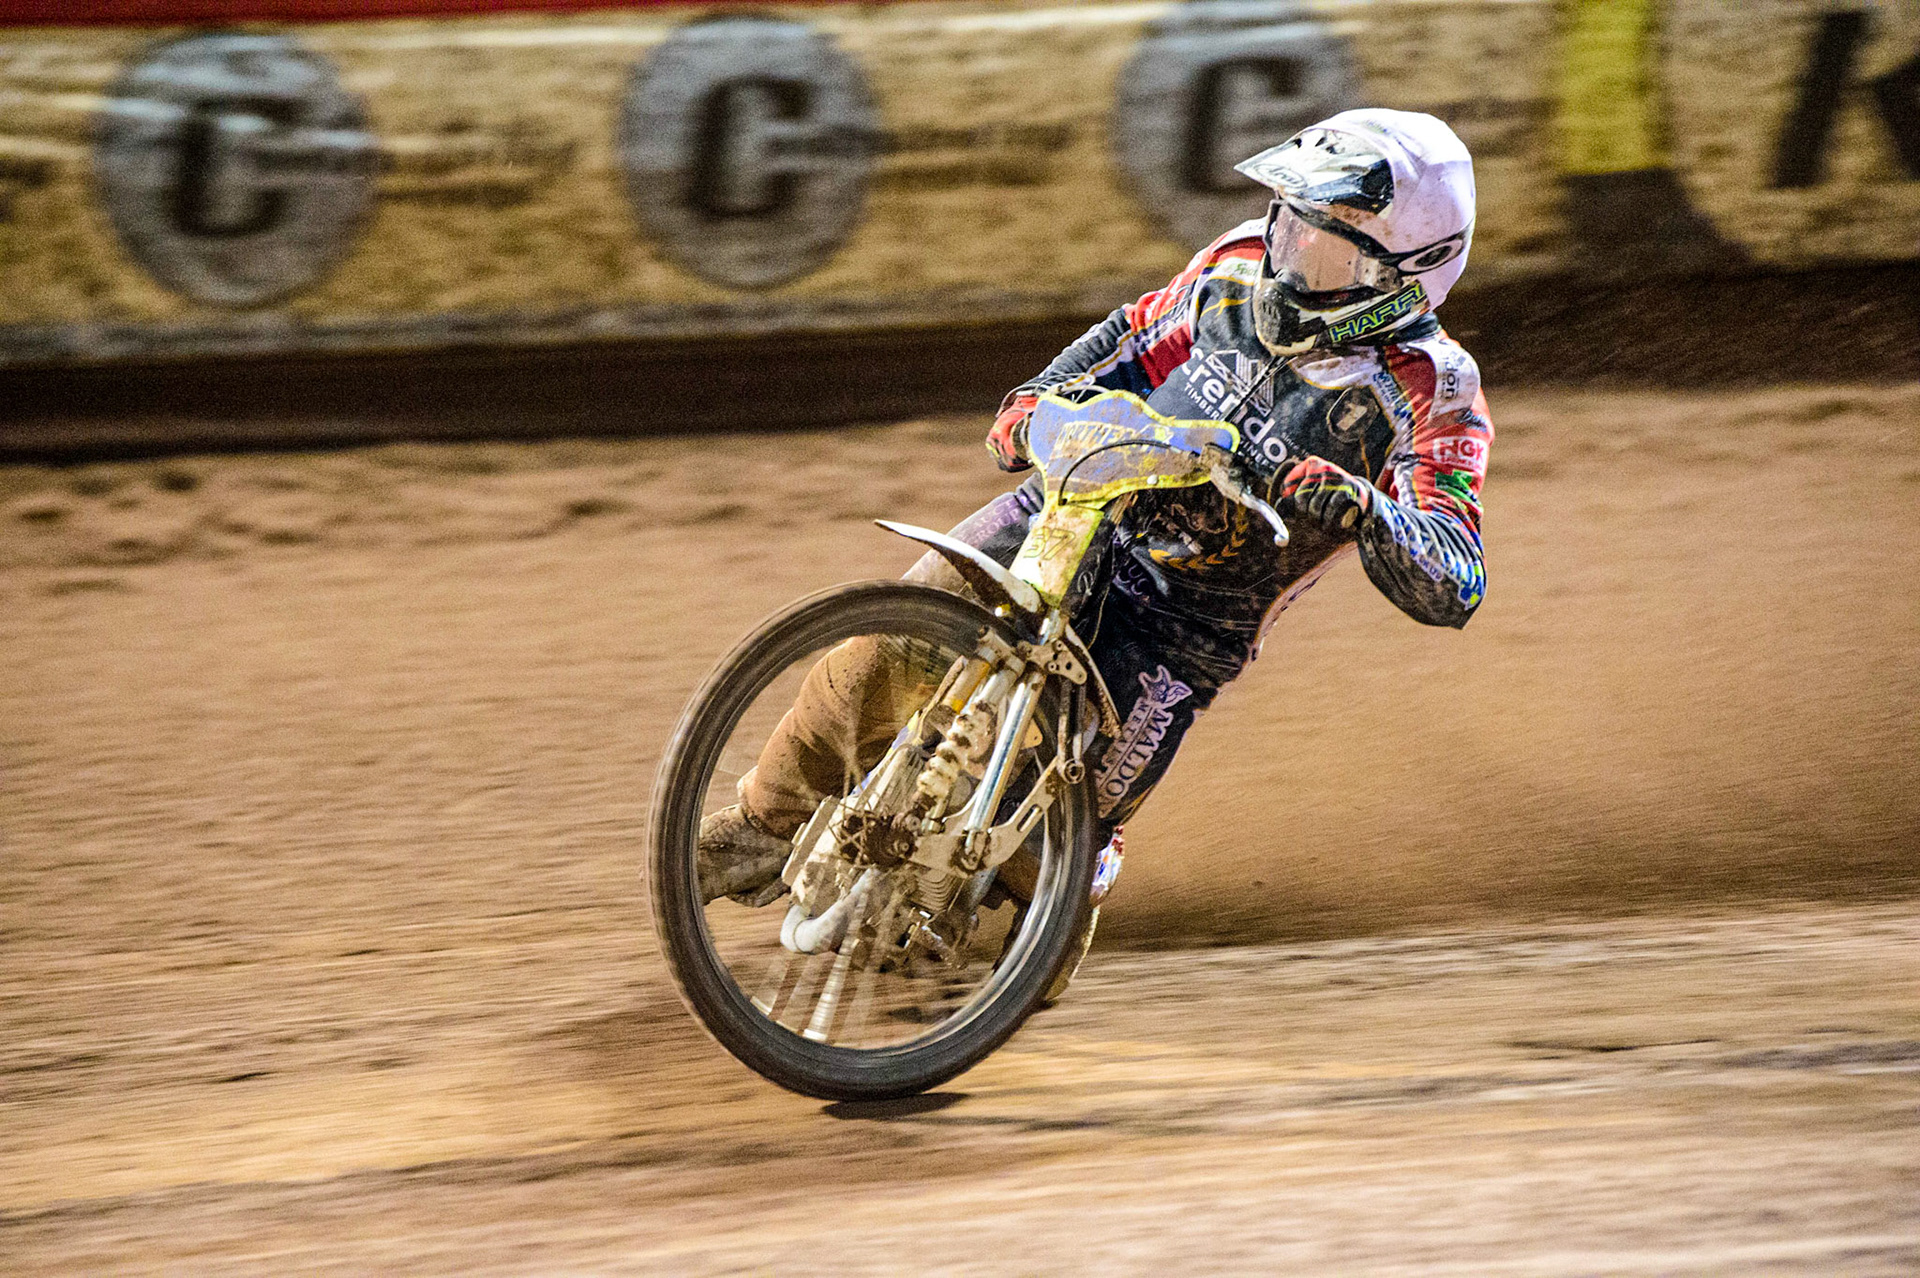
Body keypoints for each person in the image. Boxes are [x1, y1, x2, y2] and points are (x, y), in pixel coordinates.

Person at [697, 108, 1493, 924]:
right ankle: (762, 824)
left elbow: (1457, 577)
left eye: (1321, 245)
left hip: (1185, 626)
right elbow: (1134, 336)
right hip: (1079, 505)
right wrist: (1035, 404)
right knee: (891, 641)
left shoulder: (1433, 390)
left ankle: (1016, 938)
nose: (1287, 258)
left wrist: (1369, 512)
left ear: (1402, 274)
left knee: (1057, 854)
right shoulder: (1234, 264)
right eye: (1287, 224)